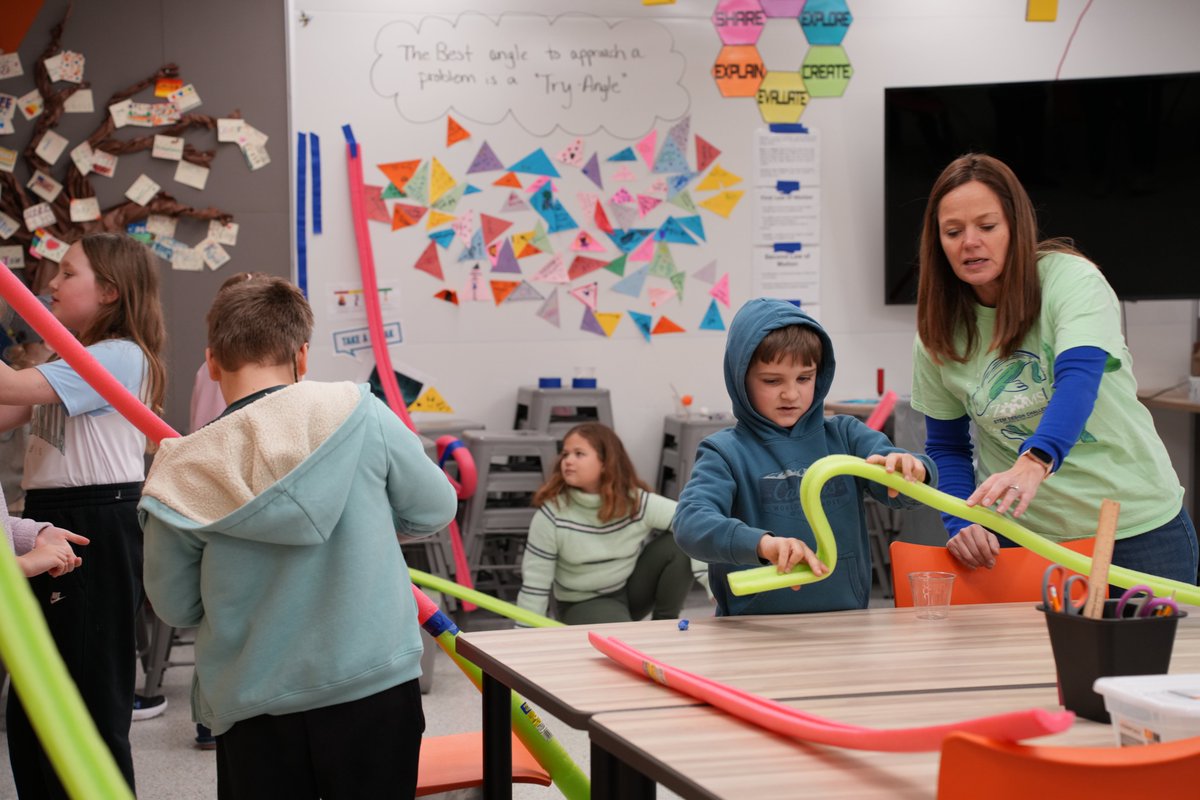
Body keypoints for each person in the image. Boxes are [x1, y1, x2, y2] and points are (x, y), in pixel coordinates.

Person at [139, 277, 458, 800]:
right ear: (302, 355)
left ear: (213, 361)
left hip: (255, 700)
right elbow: (436, 507)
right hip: (373, 685)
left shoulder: (181, 469)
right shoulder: (359, 411)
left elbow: (174, 606)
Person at [911, 153, 1199, 584]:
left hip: (1136, 531)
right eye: (953, 232)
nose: (970, 242)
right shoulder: (936, 329)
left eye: (987, 227)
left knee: (1152, 654)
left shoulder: (1072, 281)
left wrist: (1036, 460)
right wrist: (961, 521)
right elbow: (947, 447)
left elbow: (1078, 381)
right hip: (1020, 536)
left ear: (1016, 227)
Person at [1, 233, 167, 797]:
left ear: (111, 292)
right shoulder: (65, 357)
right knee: (36, 697)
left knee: (89, 695)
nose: (51, 282)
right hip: (48, 516)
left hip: (95, 520)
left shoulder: (118, 356)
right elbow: (7, 409)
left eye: (67, 273)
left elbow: (9, 386)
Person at [674, 298, 935, 616]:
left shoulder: (846, 435)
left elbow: (901, 483)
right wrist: (762, 545)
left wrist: (915, 469)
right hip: (752, 630)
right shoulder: (724, 452)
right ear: (740, 379)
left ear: (819, 375)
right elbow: (690, 523)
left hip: (845, 620)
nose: (791, 394)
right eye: (772, 381)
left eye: (804, 378)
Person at [184, 270, 268, 751]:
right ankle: (214, 716)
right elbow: (206, 428)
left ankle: (221, 713)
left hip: (229, 494)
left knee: (232, 609)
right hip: (227, 495)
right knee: (227, 610)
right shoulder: (214, 371)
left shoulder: (215, 368)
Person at [516, 422, 706, 625]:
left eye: (579, 454)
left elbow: (694, 523)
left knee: (679, 542)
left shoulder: (635, 502)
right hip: (582, 603)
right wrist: (525, 635)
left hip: (627, 591)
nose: (568, 461)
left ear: (605, 462)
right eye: (565, 454)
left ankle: (664, 625)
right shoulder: (551, 515)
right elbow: (535, 583)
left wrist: (716, 587)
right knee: (622, 645)